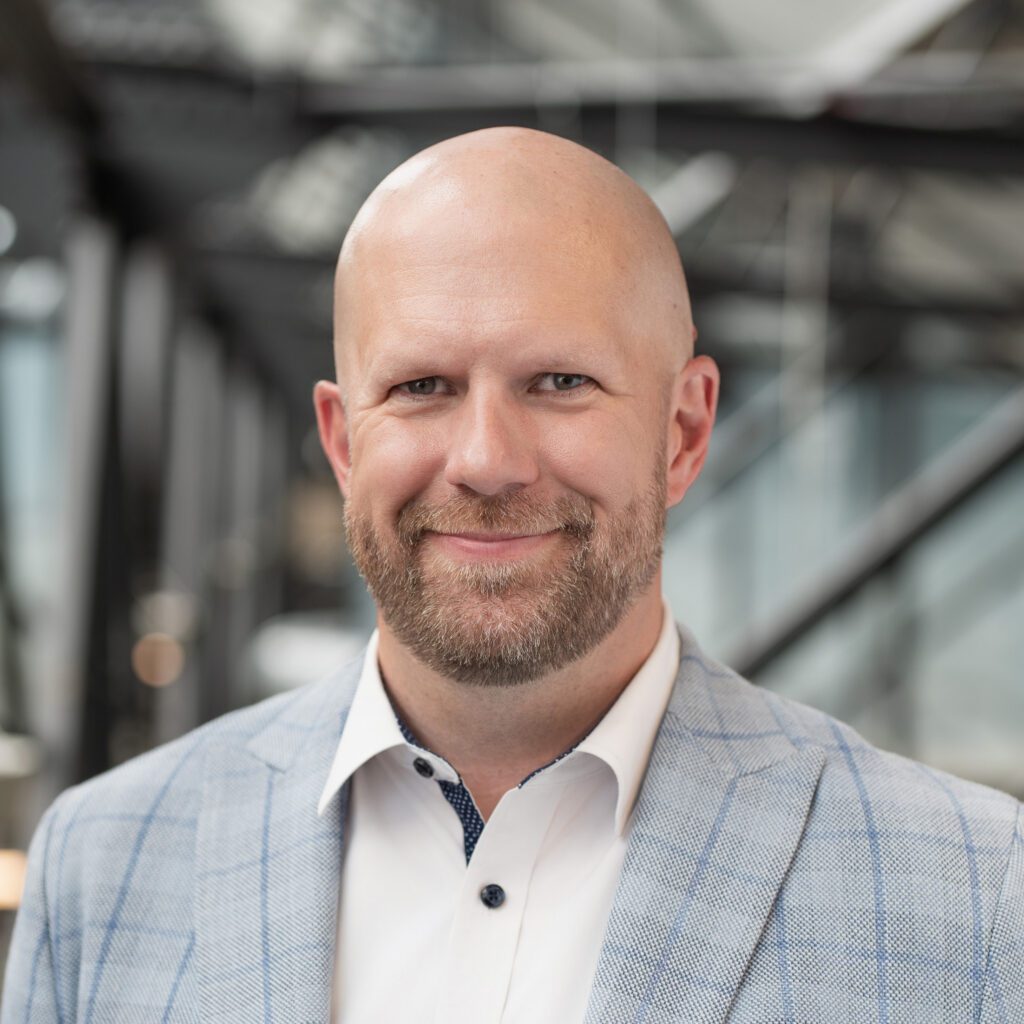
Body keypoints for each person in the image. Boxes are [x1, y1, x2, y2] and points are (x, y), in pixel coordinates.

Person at [2, 128, 1021, 1024]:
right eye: (422, 386)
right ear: (344, 440)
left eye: (560, 382)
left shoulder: (978, 894)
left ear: (683, 430)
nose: (486, 458)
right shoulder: (105, 863)